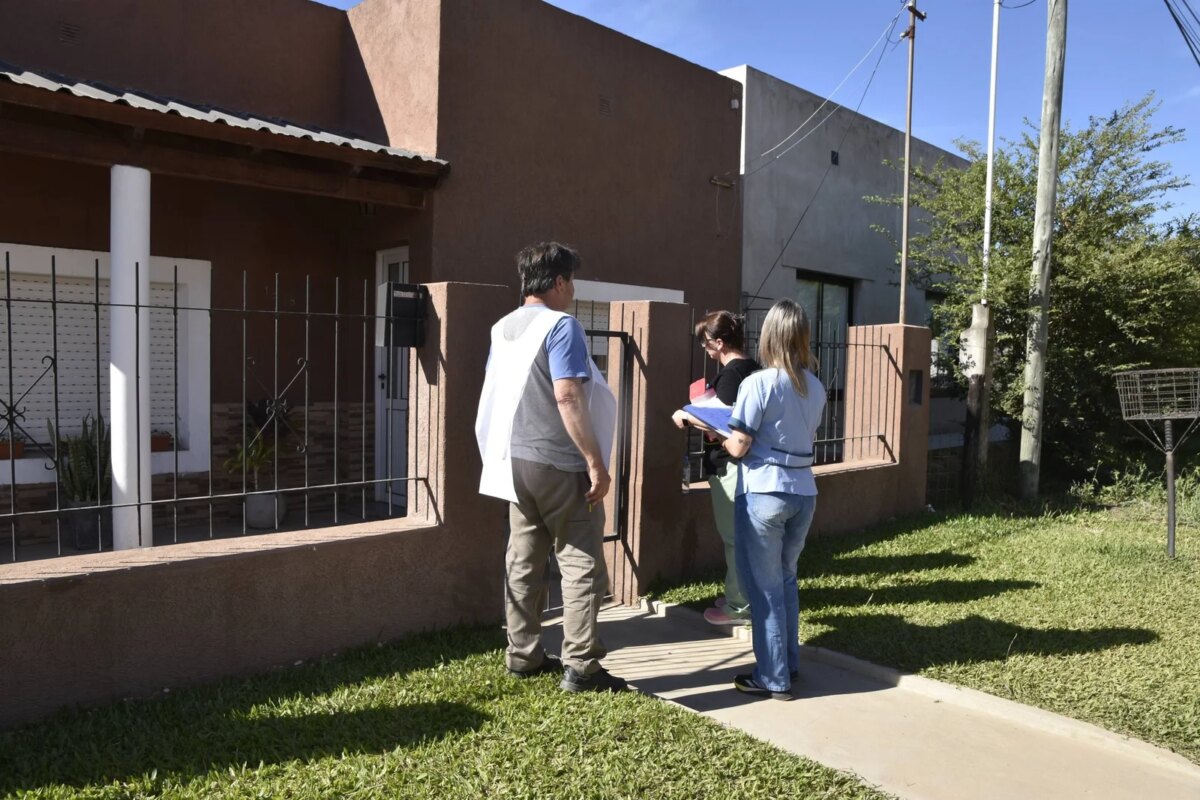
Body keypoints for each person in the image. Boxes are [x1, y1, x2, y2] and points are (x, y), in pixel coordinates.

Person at [475, 241, 628, 693]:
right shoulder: (563, 327)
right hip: (559, 463)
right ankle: (582, 666)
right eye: (572, 282)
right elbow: (567, 395)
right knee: (580, 560)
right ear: (559, 282)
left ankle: (522, 654)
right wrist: (595, 463)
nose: (574, 291)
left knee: (523, 559)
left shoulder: (501, 328)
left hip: (512, 461)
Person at [721, 299, 825, 701]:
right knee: (785, 580)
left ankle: (773, 677)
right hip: (804, 492)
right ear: (802, 337)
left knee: (763, 589)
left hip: (764, 493)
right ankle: (788, 664)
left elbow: (740, 445)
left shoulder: (758, 384)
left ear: (768, 336)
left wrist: (714, 431)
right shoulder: (814, 385)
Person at [671, 311, 759, 626]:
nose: (706, 350)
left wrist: (687, 415)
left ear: (719, 343)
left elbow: (725, 425)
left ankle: (739, 606)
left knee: (735, 538)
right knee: (741, 536)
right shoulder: (752, 369)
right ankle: (740, 595)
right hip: (744, 465)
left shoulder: (732, 374)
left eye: (707, 344)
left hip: (729, 466)